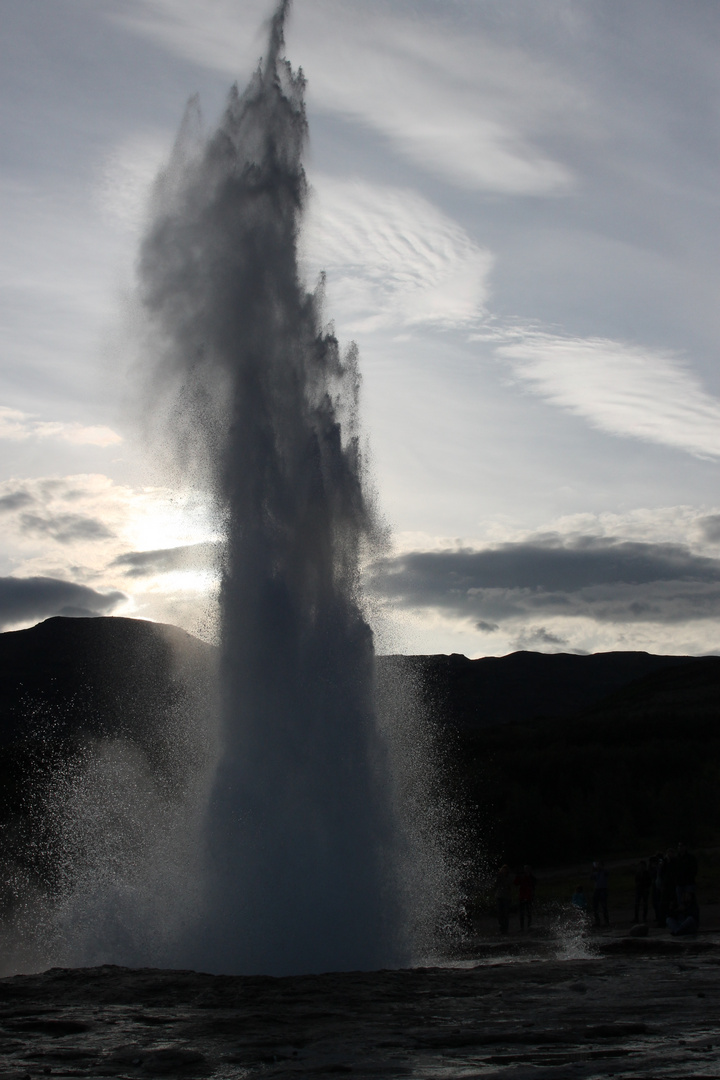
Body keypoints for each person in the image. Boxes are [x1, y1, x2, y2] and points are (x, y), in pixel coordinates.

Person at [514, 865, 537, 930]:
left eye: (527, 869)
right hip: (522, 897)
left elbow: (534, 885)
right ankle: (522, 927)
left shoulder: (531, 878)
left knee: (528, 913)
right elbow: (515, 883)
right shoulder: (522, 877)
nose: (526, 870)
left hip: (529, 897)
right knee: (522, 913)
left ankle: (528, 926)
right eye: (525, 869)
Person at [590, 860, 609, 927]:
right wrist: (593, 870)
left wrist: (599, 868)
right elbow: (591, 878)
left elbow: (606, 873)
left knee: (604, 906)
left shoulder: (604, 871)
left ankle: (606, 921)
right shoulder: (596, 873)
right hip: (597, 889)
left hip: (603, 889)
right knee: (595, 906)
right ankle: (597, 921)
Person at [495, 865, 512, 934]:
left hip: (506, 897)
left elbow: (509, 886)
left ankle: (505, 929)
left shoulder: (508, 878)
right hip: (499, 896)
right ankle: (501, 928)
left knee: (505, 913)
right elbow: (496, 884)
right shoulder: (499, 878)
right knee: (500, 913)